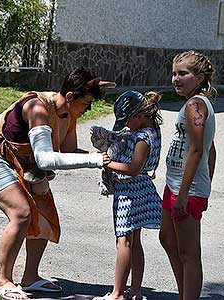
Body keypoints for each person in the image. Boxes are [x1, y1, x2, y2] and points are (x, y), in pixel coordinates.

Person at [0, 67, 115, 300]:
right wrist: (95, 160)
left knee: (44, 212)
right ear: (70, 97)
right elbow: (45, 158)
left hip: (22, 161)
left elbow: (69, 152)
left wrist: (106, 151)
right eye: (87, 103)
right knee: (21, 212)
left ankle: (30, 278)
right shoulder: (38, 108)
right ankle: (3, 281)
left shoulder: (68, 114)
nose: (88, 109)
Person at [92, 91, 163, 300]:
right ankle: (135, 291)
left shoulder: (142, 137)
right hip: (142, 189)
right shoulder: (152, 131)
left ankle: (117, 294)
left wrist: (105, 162)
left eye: (127, 120)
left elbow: (133, 168)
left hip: (130, 191)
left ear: (140, 115)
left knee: (123, 242)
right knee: (135, 242)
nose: (125, 125)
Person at [159, 50, 217, 300]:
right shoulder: (192, 103)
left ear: (200, 77)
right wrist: (207, 179)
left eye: (183, 73)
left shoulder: (195, 104)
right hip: (174, 185)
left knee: (189, 253)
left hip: (186, 190)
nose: (176, 78)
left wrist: (188, 192)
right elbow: (211, 150)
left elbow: (196, 149)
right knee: (167, 239)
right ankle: (185, 293)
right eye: (174, 73)